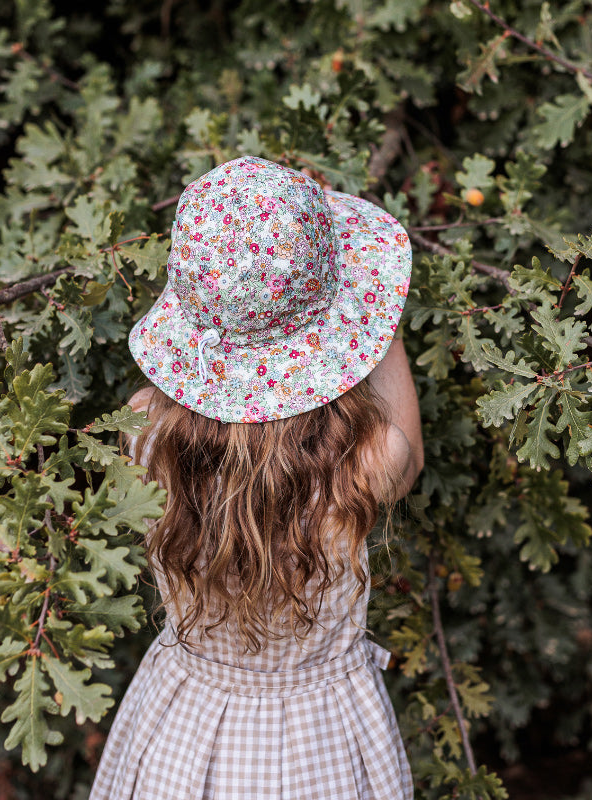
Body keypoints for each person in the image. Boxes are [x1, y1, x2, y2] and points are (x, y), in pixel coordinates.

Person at [89, 156, 423, 800]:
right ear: (335, 330)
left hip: (180, 723)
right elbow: (410, 464)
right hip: (324, 736)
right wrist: (378, 315)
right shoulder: (371, 457)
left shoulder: (142, 432)